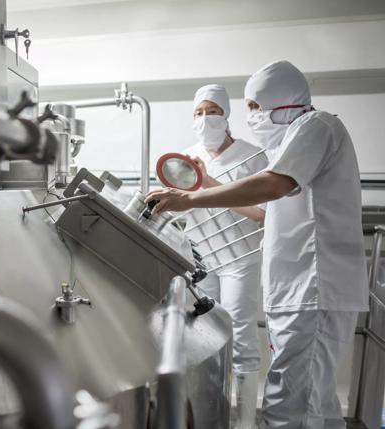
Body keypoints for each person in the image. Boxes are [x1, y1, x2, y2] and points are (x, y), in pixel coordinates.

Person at [148, 61, 369, 428]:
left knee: (294, 406)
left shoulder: (316, 126)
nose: (250, 115)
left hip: (315, 285)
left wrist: (190, 197)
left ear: (280, 102)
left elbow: (273, 186)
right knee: (311, 402)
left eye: (254, 106)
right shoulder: (293, 138)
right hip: (296, 286)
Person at [184, 84, 268, 429]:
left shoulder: (253, 156)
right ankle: (209, 416)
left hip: (240, 259)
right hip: (202, 261)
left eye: (213, 111)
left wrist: (207, 181)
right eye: (199, 113)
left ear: (227, 115)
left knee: (241, 339)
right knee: (203, 338)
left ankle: (245, 422)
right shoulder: (186, 156)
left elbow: (262, 213)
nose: (206, 119)